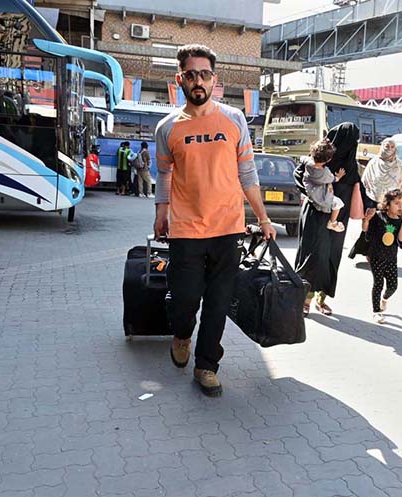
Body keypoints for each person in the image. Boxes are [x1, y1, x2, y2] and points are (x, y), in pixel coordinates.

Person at [153, 44, 276, 397]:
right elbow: (163, 175)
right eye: (190, 74)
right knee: (185, 302)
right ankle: (181, 334)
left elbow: (248, 174)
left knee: (219, 304)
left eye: (204, 74)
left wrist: (264, 218)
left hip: (227, 228)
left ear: (214, 79)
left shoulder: (234, 120)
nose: (198, 81)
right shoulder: (167, 127)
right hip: (186, 229)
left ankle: (207, 365)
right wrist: (161, 212)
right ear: (180, 80)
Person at [294, 122, 360, 316]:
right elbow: (299, 177)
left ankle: (321, 299)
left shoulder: (350, 166)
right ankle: (304, 298)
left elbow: (359, 188)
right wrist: (315, 194)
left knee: (331, 258)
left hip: (338, 220)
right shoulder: (317, 161)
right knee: (313, 256)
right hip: (315, 216)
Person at [361, 189, 402, 324]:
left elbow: (401, 239)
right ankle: (376, 312)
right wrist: (366, 220)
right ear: (388, 205)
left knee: (393, 286)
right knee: (378, 283)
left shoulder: (400, 221)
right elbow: (365, 230)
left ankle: (384, 299)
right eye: (397, 203)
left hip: (391, 258)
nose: (400, 206)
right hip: (376, 255)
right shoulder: (378, 216)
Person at [303, 139, 346, 233]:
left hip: (311, 191)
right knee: (338, 203)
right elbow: (333, 179)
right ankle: (332, 222)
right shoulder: (324, 173)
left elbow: (303, 159)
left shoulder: (308, 163)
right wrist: (339, 176)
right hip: (321, 196)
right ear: (328, 159)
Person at [362, 138, 402, 205]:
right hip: (374, 199)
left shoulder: (398, 164)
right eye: (387, 146)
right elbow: (365, 180)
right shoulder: (374, 162)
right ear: (382, 147)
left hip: (393, 201)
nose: (389, 149)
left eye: (392, 147)